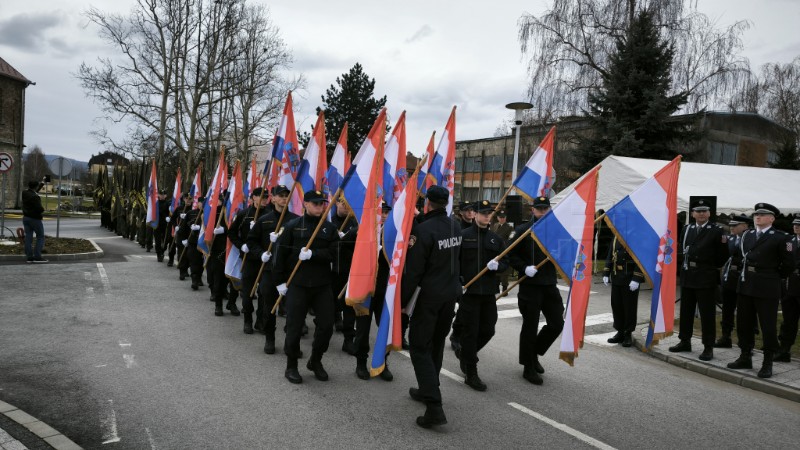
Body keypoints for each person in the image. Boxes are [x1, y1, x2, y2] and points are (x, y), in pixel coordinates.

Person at [402, 185, 462, 428]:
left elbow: (413, 272)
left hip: (428, 298)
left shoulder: (423, 230)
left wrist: (401, 302)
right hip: (449, 296)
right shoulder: (455, 225)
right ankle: (428, 388)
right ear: (446, 203)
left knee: (419, 347)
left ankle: (434, 407)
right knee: (436, 345)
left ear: (427, 203)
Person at [274, 190, 339, 384]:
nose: (320, 207)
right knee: (294, 327)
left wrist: (314, 254)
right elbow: (279, 256)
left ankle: (316, 360)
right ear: (305, 204)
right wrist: (280, 282)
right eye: (316, 203)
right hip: (298, 284)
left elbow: (335, 254)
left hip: (321, 285)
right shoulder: (292, 227)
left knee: (327, 326)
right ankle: (291, 365)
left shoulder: (329, 229)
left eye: (323, 203)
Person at [727, 203, 794, 378]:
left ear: (772, 218)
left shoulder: (781, 237)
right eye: (756, 214)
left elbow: (789, 264)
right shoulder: (747, 235)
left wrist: (772, 275)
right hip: (746, 283)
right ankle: (745, 356)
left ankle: (767, 362)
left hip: (767, 285)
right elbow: (742, 257)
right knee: (744, 323)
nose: (758, 217)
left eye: (763, 215)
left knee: (768, 326)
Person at [508, 196, 564, 385]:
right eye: (539, 209)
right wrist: (524, 268)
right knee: (530, 326)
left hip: (549, 284)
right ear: (533, 210)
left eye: (545, 209)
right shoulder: (523, 231)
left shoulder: (555, 231)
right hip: (530, 286)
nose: (542, 212)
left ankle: (533, 354)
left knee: (557, 323)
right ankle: (528, 367)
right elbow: (510, 255)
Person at [669, 200, 728, 361]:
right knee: (686, 311)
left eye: (704, 211)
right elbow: (682, 249)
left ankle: (708, 346)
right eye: (698, 211)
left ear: (709, 213)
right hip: (688, 275)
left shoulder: (717, 230)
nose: (701, 214)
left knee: (707, 314)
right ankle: (685, 341)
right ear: (693, 213)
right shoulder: (688, 229)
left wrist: (708, 267)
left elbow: (722, 256)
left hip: (705, 276)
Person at [458, 200, 508, 391]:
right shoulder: (463, 236)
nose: (487, 216)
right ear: (475, 214)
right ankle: (471, 373)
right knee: (470, 332)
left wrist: (499, 266)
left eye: (489, 213)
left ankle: (465, 353)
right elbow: (455, 262)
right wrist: (458, 283)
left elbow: (506, 261)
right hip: (469, 292)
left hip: (487, 292)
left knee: (488, 330)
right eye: (483, 213)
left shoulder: (496, 239)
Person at [247, 185, 299, 353]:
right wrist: (260, 253)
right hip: (269, 270)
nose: (284, 198)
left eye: (286, 195)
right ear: (273, 198)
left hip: (290, 272)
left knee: (294, 310)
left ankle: (292, 344)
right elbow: (251, 241)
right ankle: (270, 338)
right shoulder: (264, 219)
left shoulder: (297, 220)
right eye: (280, 196)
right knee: (269, 307)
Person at [352, 201, 395, 381]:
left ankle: (382, 363)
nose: (383, 215)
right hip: (366, 288)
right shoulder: (363, 231)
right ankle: (361, 363)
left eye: (386, 212)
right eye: (380, 211)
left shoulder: (394, 234)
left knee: (385, 328)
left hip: (385, 289)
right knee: (362, 330)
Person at [229, 187, 270, 334]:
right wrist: (242, 245)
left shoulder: (271, 214)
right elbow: (232, 232)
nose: (265, 199)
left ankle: (260, 321)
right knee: (247, 293)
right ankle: (247, 319)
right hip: (250, 258)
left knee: (264, 293)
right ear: (253, 197)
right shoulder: (244, 214)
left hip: (265, 259)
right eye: (261, 196)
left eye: (266, 197)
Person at [715, 215, 751, 348]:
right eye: (731, 225)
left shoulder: (751, 239)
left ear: (745, 226)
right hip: (729, 276)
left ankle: (746, 341)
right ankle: (726, 336)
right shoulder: (729, 239)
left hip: (744, 277)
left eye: (735, 225)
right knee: (727, 308)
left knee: (745, 310)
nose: (732, 228)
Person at [602, 237, 644, 347]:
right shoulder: (616, 237)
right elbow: (610, 255)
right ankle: (620, 331)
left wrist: (636, 277)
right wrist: (606, 272)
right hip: (617, 276)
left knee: (629, 307)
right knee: (617, 305)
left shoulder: (635, 238)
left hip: (630, 278)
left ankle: (627, 333)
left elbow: (641, 258)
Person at [331, 195, 358, 354]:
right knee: (331, 302)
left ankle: (348, 340)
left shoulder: (355, 223)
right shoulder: (328, 222)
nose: (346, 206)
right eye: (342, 202)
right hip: (332, 270)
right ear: (336, 203)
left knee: (350, 306)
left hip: (350, 271)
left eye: (349, 203)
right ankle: (333, 318)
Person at [775, 216, 800, 362]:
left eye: (799, 225)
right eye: (795, 224)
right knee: (788, 320)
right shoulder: (789, 241)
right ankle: (784, 350)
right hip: (790, 284)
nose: (796, 227)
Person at [21, 180, 47, 263]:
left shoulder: (24, 193)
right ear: (35, 187)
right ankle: (37, 256)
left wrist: (42, 183)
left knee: (28, 237)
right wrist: (43, 209)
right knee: (40, 237)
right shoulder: (35, 197)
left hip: (26, 218)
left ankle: (29, 256)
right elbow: (39, 208)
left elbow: (33, 192)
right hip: (35, 219)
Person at [490, 210, 514, 293]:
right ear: (497, 218)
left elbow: (510, 239)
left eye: (503, 217)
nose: (502, 219)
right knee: (495, 269)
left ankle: (504, 288)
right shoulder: (495, 225)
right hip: (494, 250)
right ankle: (496, 287)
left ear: (505, 218)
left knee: (504, 271)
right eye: (500, 217)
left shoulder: (510, 227)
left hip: (504, 249)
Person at [154, 190, 171, 263]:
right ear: (158, 195)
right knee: (157, 240)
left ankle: (162, 251)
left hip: (165, 224)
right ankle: (159, 254)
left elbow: (170, 213)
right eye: (161, 194)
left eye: (164, 194)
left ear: (166, 196)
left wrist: (168, 217)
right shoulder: (156, 203)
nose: (162, 196)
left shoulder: (167, 203)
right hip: (157, 224)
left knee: (165, 240)